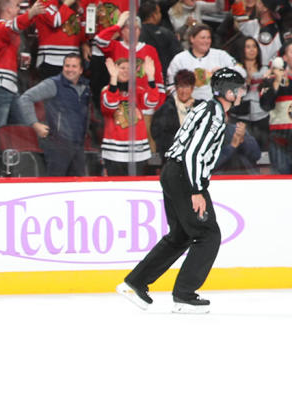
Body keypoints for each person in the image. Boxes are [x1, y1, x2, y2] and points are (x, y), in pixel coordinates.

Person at [118, 68, 246, 314]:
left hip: (174, 173)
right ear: (228, 91)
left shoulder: (208, 108)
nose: (241, 93)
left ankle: (135, 283)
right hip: (185, 176)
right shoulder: (214, 114)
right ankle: (184, 295)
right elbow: (194, 152)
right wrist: (196, 189)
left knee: (181, 235)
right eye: (238, 88)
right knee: (208, 234)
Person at [0, 0, 44, 177]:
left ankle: (17, 168)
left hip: (7, 85)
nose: (18, 8)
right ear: (7, 9)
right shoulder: (1, 27)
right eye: (15, 5)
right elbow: (17, 24)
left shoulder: (3, 29)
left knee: (22, 126)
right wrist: (31, 13)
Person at [18, 53, 91, 177]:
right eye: (67, 66)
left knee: (79, 186)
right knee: (55, 185)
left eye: (74, 66)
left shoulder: (86, 86)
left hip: (79, 144)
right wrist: (34, 124)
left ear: (80, 70)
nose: (70, 69)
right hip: (58, 145)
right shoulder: (53, 84)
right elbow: (25, 98)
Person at [101, 56, 160, 175]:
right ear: (114, 69)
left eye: (129, 69)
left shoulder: (138, 90)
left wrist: (151, 77)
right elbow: (110, 105)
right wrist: (113, 78)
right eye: (122, 68)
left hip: (137, 151)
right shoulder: (106, 90)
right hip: (115, 151)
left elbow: (151, 102)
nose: (126, 71)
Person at [166, 24, 242, 101]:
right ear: (192, 39)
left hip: (216, 104)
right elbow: (170, 86)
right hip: (188, 106)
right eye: (203, 38)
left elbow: (241, 72)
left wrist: (223, 71)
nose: (206, 41)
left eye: (208, 38)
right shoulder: (179, 59)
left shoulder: (220, 55)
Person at [231, 35, 270, 149]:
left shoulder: (265, 69)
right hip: (240, 116)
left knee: (264, 151)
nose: (252, 50)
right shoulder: (235, 69)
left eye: (254, 46)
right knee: (243, 149)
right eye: (248, 47)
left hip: (262, 116)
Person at [259, 43, 292, 174]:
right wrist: (276, 82)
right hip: (280, 139)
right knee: (281, 181)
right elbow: (265, 105)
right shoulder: (271, 79)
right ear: (284, 57)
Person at [32, 0, 85, 80]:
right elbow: (55, 21)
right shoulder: (43, 3)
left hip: (73, 61)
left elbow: (80, 31)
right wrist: (66, 4)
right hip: (50, 60)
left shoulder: (77, 5)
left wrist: (85, 43)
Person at [151, 69, 197, 154]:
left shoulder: (200, 107)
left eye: (187, 86)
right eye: (180, 86)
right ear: (175, 87)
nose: (184, 91)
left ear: (192, 88)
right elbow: (157, 134)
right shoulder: (166, 109)